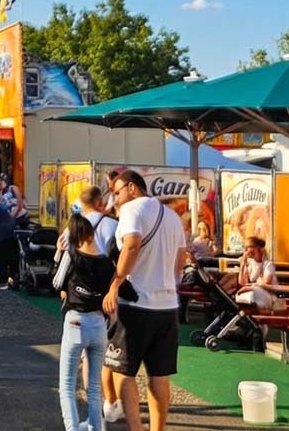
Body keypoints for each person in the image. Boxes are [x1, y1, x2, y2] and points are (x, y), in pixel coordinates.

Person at [103, 170, 186, 431]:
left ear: (131, 188)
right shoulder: (172, 216)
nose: (115, 199)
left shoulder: (132, 209)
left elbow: (131, 244)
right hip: (168, 305)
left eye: (117, 192)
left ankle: (137, 428)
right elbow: (181, 258)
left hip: (136, 305)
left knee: (122, 371)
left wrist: (116, 282)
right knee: (159, 375)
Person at [57, 213, 115, 431]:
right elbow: (127, 291)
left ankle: (73, 429)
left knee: (67, 386)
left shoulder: (72, 256)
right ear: (92, 233)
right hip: (99, 324)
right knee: (93, 386)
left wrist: (59, 253)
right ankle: (95, 428)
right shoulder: (107, 262)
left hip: (75, 322)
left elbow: (56, 283)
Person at [235, 236, 277, 309]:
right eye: (250, 253)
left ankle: (252, 307)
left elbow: (266, 283)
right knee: (241, 295)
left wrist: (251, 288)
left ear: (259, 249)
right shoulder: (251, 264)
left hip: (267, 295)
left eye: (253, 252)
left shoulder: (268, 264)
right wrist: (242, 265)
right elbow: (242, 282)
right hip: (254, 294)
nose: (253, 255)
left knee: (255, 295)